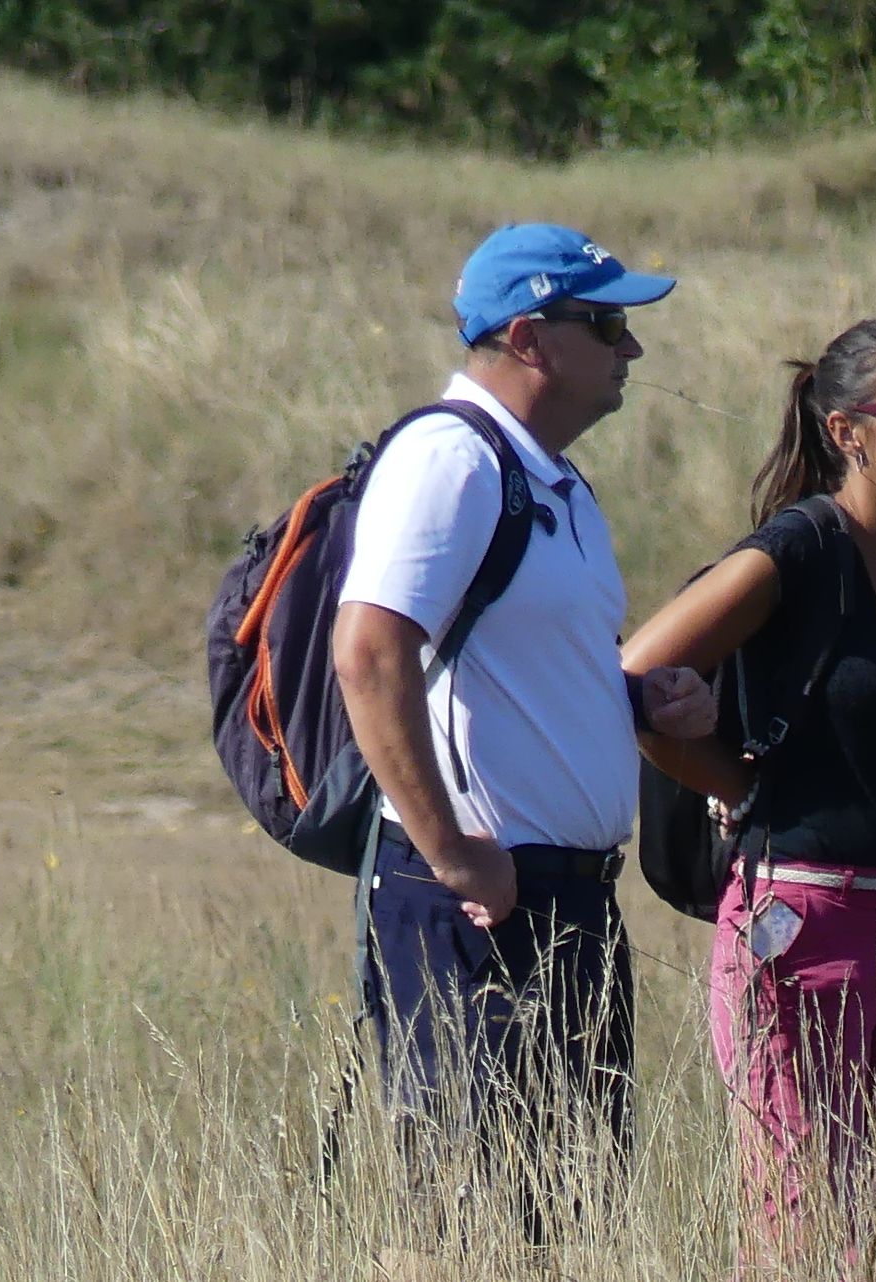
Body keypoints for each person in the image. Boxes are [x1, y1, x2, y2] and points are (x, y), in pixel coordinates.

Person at [332, 223, 714, 1235]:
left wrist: (639, 702)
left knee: (572, 1221)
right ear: (530, 337)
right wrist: (454, 853)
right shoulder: (449, 459)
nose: (633, 348)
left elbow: (520, 668)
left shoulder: (551, 480)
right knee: (481, 1223)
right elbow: (369, 652)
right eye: (607, 325)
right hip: (479, 904)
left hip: (568, 904)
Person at [620, 317, 876, 1266]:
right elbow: (634, 680)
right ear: (847, 432)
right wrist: (734, 784)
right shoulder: (798, 551)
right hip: (803, 928)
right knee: (804, 1237)